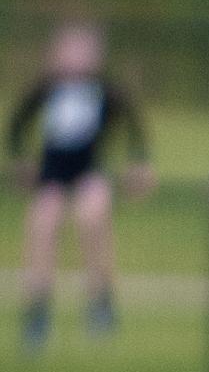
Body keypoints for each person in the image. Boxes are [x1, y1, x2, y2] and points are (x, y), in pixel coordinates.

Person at [8, 21, 152, 350]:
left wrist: (139, 164)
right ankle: (38, 311)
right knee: (42, 226)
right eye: (69, 51)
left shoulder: (104, 90)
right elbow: (17, 125)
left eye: (83, 52)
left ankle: (100, 301)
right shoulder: (46, 88)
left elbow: (134, 125)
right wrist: (21, 160)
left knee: (91, 220)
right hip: (52, 173)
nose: (76, 59)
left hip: (90, 170)